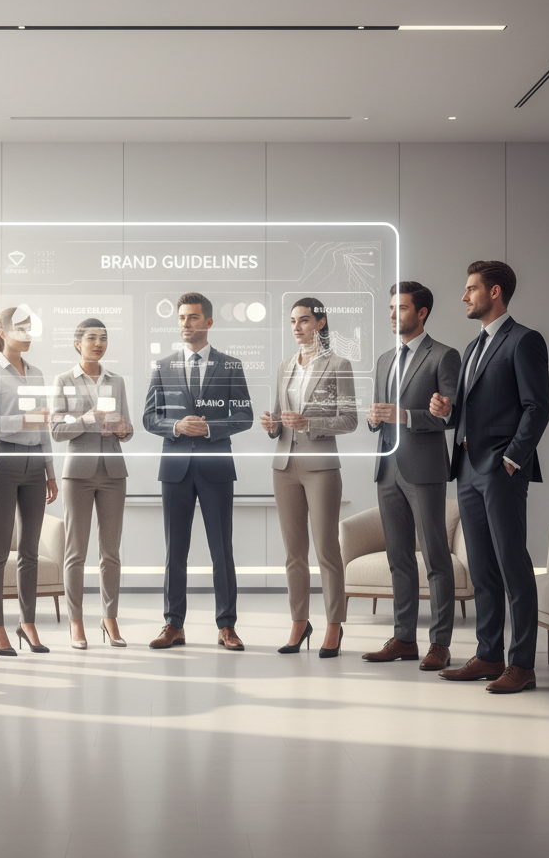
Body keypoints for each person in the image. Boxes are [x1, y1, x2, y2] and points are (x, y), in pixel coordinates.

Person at [430, 260, 549, 693]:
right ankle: (488, 655)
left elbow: (537, 407)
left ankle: (522, 665)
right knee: (482, 567)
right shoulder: (472, 347)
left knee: (513, 565)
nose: (464, 296)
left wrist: (512, 459)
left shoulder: (524, 340)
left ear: (494, 292)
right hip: (466, 468)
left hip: (501, 470)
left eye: (471, 288)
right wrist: (447, 413)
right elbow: (469, 410)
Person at [143, 292, 253, 650]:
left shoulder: (231, 365)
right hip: (175, 469)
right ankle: (173, 625)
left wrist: (208, 428)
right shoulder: (162, 366)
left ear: (208, 322)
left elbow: (245, 416)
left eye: (192, 317)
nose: (185, 323)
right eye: (181, 318)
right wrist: (176, 426)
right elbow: (149, 418)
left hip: (215, 467)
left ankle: (227, 626)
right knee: (175, 551)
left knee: (222, 550)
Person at [363, 282, 461, 671]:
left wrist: (404, 416)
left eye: (401, 308)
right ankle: (404, 638)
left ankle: (440, 643)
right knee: (398, 557)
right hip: (387, 469)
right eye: (391, 307)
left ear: (421, 313)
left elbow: (451, 416)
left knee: (435, 557)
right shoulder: (385, 359)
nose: (393, 314)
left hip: (424, 470)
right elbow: (379, 412)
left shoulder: (444, 356)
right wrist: (374, 419)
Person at [261, 298, 357, 657]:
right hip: (284, 466)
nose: (297, 327)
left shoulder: (339, 365)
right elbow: (279, 415)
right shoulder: (285, 366)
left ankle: (334, 626)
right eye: (292, 321)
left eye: (303, 320)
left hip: (321, 467)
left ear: (320, 322)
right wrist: (272, 425)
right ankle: (299, 623)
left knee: (327, 550)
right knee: (293, 553)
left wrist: (309, 423)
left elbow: (349, 419)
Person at [0, 306, 58, 655]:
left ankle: (27, 623)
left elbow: (44, 426)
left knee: (30, 551)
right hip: (4, 462)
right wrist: (24, 420)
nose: (27, 335)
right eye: (19, 328)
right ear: (3, 331)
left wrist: (50, 471)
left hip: (35, 468)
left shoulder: (36, 374)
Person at [50, 318, 133, 649]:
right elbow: (56, 431)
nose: (98, 344)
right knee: (76, 552)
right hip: (78, 474)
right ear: (77, 344)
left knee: (111, 552)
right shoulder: (63, 380)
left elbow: (128, 429)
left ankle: (110, 618)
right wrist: (88, 418)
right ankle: (76, 621)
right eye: (91, 338)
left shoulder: (117, 381)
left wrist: (122, 428)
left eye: (103, 338)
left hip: (113, 472)